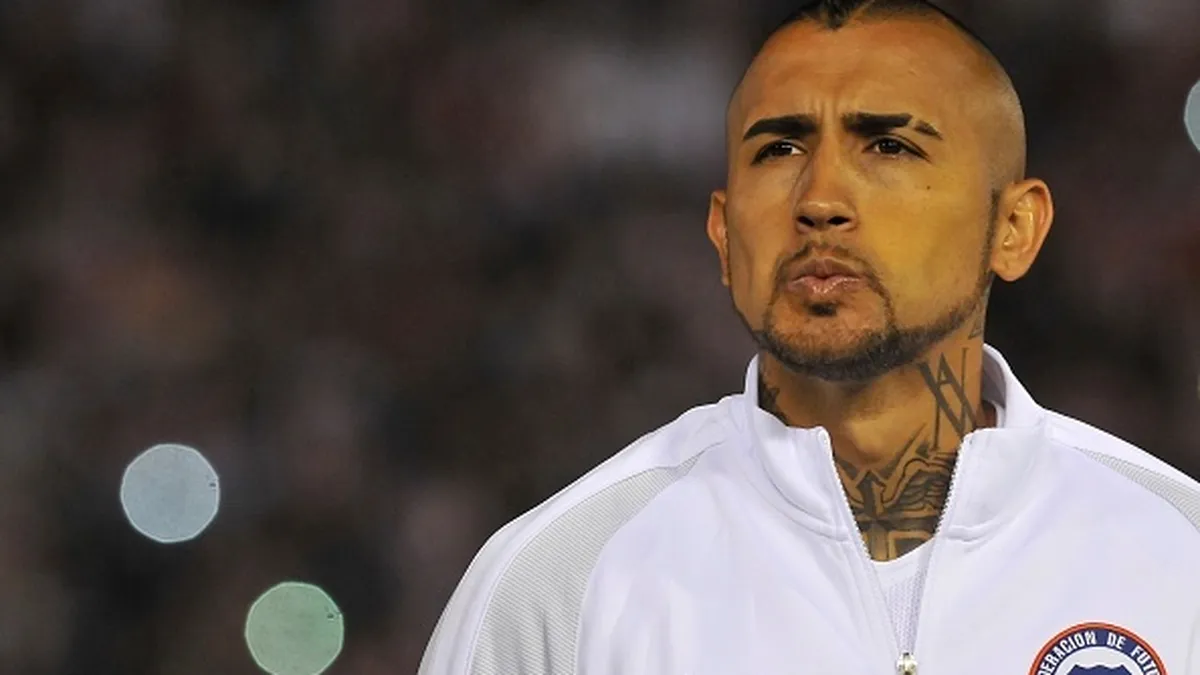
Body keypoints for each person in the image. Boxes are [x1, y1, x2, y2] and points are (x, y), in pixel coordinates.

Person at [419, 1, 1200, 673]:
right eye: (779, 149)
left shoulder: (1177, 551)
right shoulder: (559, 581)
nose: (820, 198)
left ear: (1014, 227)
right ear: (724, 236)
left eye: (889, 146)